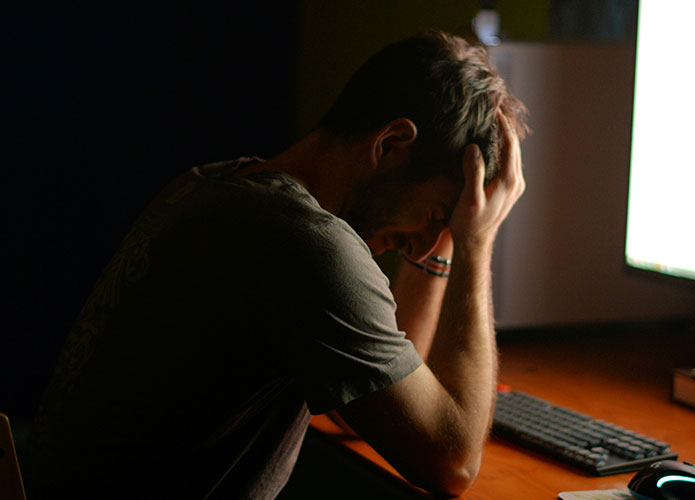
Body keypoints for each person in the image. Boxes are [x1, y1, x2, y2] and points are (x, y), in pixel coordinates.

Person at [22, 30, 527, 499]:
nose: (419, 250)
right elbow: (453, 462)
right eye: (437, 216)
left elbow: (381, 401)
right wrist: (476, 244)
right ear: (390, 144)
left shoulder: (214, 187)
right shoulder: (309, 247)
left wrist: (445, 239)